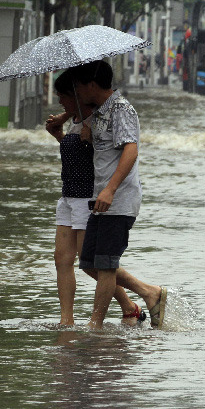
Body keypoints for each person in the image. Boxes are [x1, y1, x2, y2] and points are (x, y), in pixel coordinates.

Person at [69, 60, 167, 330]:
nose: (76, 91)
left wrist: (110, 189)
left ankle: (95, 325)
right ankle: (149, 293)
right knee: (90, 262)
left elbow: (130, 151)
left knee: (107, 265)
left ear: (91, 84)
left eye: (78, 85)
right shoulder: (98, 113)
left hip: (118, 199)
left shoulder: (121, 109)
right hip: (100, 199)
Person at [45, 70, 145, 328]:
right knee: (71, 260)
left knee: (96, 263)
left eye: (65, 94)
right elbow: (82, 156)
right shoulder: (91, 115)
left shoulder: (108, 113)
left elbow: (122, 151)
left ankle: (137, 299)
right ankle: (68, 321)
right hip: (71, 194)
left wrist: (109, 189)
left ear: (85, 88)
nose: (61, 101)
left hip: (91, 196)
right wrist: (62, 130)